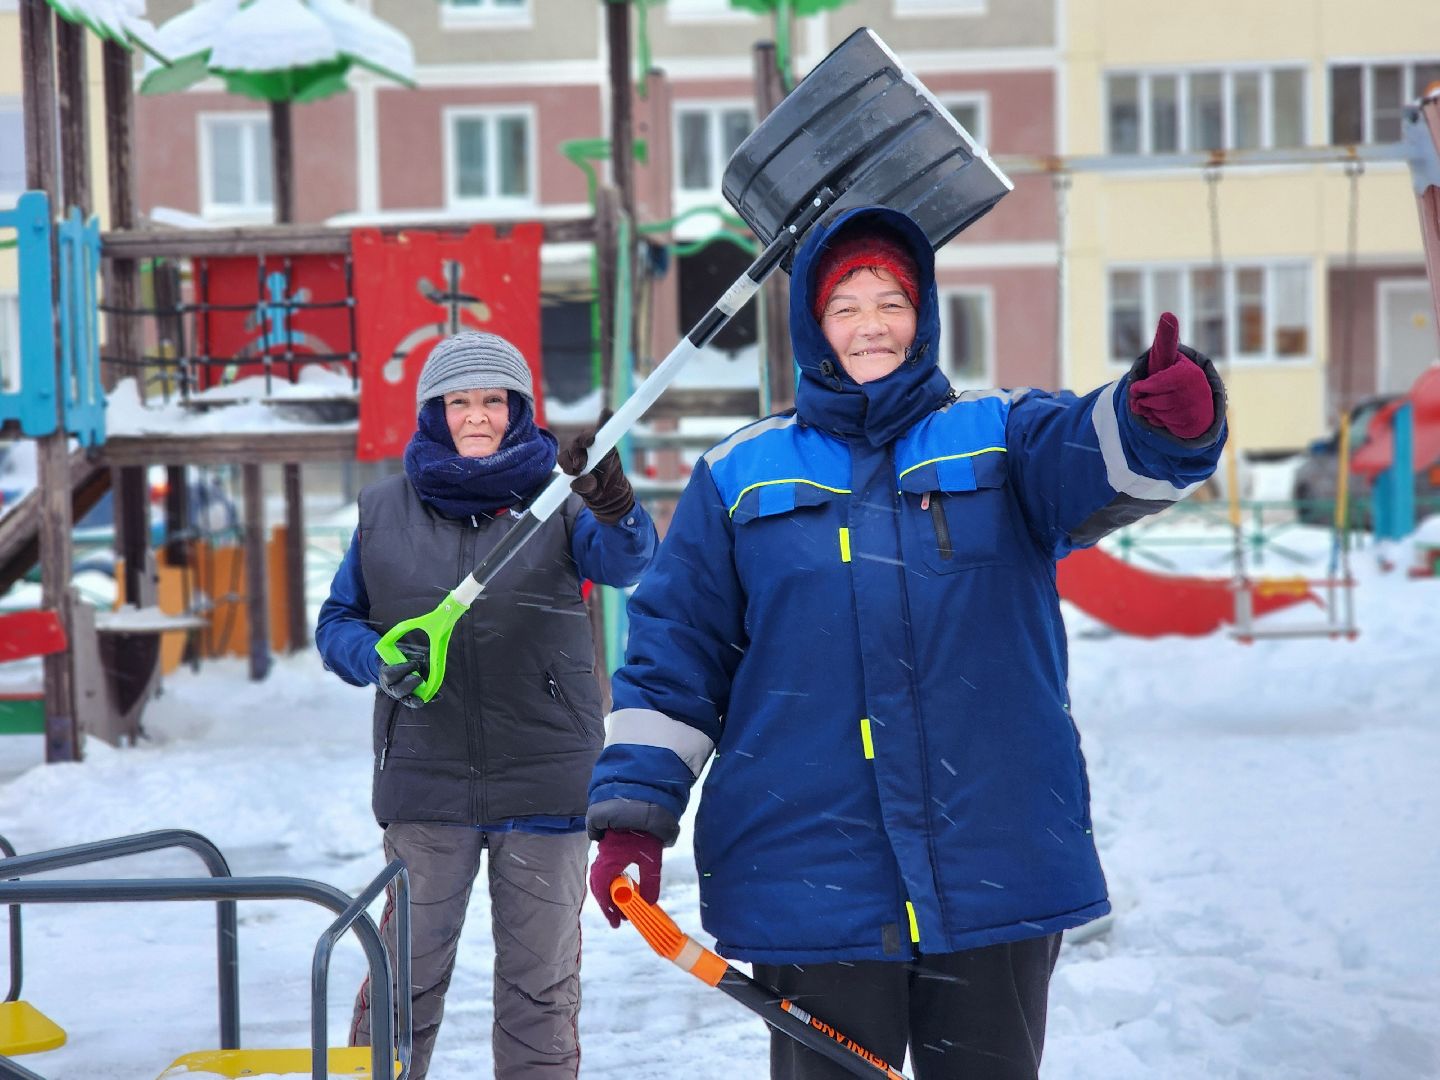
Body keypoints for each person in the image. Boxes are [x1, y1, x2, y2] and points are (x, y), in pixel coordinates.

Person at [586, 207, 1226, 1079]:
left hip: (991, 858)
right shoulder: (740, 472)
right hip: (810, 872)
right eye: (845, 305)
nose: (869, 324)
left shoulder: (1004, 434)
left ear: (922, 312)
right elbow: (674, 656)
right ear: (813, 324)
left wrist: (1164, 421)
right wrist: (634, 819)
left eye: (889, 300)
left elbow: (1098, 453)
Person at [315, 330, 657, 1079]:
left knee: (540, 990)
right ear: (433, 412)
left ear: (519, 408)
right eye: (460, 401)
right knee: (402, 986)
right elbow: (337, 621)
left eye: (494, 401)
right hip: (426, 783)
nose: (478, 417)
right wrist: (371, 658)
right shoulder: (383, 510)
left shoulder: (564, 501)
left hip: (546, 780)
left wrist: (615, 505)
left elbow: (630, 561)